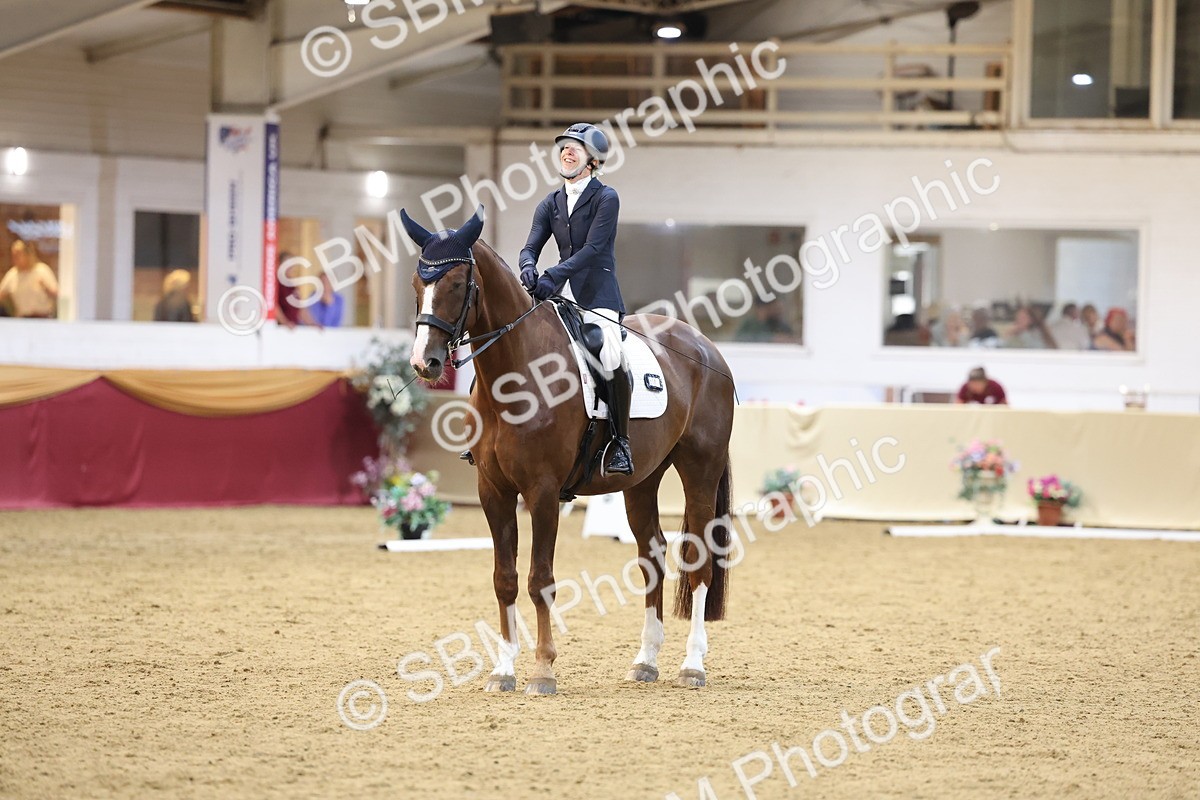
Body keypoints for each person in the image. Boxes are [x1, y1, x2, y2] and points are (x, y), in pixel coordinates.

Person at [518, 122, 632, 476]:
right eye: (564, 147)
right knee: (516, 341)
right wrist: (527, 267)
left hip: (597, 294)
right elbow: (531, 244)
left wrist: (553, 275)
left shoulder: (605, 197)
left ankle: (620, 442)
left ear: (593, 160)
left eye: (575, 147)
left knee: (608, 351)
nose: (567, 151)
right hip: (558, 293)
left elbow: (594, 248)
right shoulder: (549, 203)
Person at [0, 239, 58, 318]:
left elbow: (57, 294)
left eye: (18, 255)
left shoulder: (42, 270)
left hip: (43, 318)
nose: (15, 259)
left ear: (27, 255)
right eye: (13, 256)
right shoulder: (12, 274)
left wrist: (46, 288)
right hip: (23, 318)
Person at [275, 251, 320, 329]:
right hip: (281, 329)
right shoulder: (275, 284)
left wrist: (312, 324)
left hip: (294, 328)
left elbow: (301, 309)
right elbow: (274, 306)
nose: (290, 268)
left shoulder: (292, 286)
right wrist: (285, 322)